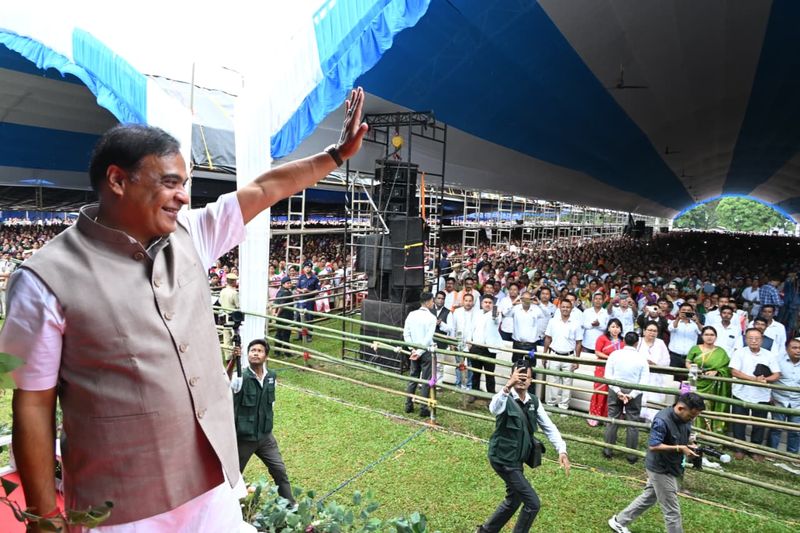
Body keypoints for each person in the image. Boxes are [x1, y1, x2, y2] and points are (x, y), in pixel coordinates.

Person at [0, 88, 368, 530]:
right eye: (170, 183)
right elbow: (32, 404)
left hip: (212, 488)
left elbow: (265, 188)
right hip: (122, 509)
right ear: (118, 180)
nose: (183, 197)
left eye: (185, 184)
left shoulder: (192, 234)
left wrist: (334, 156)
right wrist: (43, 517)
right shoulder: (41, 281)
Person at [476, 359, 570, 533]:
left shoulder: (533, 401)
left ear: (531, 380)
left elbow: (548, 426)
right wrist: (507, 386)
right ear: (511, 376)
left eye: (525, 377)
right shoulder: (504, 397)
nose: (522, 380)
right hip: (503, 458)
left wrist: (561, 450)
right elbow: (494, 408)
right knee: (533, 503)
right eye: (518, 376)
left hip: (517, 459)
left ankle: (485, 531)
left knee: (514, 500)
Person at [608, 393, 706, 533]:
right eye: (691, 416)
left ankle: (619, 521)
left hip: (671, 465)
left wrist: (690, 444)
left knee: (649, 497)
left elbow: (682, 435)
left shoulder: (685, 418)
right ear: (680, 408)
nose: (692, 419)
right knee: (672, 511)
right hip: (660, 468)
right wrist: (680, 448)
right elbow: (654, 445)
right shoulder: (662, 420)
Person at [227, 339, 295, 507]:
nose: (255, 353)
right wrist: (232, 361)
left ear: (266, 356)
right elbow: (224, 382)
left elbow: (270, 404)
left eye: (259, 351)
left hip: (265, 437)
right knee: (233, 477)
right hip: (244, 438)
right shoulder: (239, 377)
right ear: (247, 355)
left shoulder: (271, 377)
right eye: (252, 350)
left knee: (279, 470)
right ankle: (228, 509)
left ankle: (290, 506)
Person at [729, 328, 781, 460]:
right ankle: (739, 448)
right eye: (750, 338)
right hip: (741, 392)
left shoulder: (769, 355)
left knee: (759, 423)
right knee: (738, 421)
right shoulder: (740, 352)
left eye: (757, 338)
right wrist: (753, 379)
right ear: (746, 339)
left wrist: (765, 380)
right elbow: (734, 371)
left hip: (761, 395)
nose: (754, 341)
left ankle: (755, 449)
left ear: (762, 340)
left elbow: (776, 374)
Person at [604, 332, 650, 463]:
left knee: (612, 419)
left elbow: (608, 375)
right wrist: (632, 395)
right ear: (637, 343)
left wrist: (617, 391)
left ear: (624, 340)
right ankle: (631, 455)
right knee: (633, 423)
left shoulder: (614, 354)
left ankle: (608, 450)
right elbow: (644, 381)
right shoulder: (642, 359)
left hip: (615, 387)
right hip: (633, 389)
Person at [684, 326, 731, 433]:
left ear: (716, 337)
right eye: (706, 334)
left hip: (712, 384)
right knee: (689, 405)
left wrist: (717, 372)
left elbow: (727, 368)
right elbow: (687, 363)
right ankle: (689, 432)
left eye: (712, 335)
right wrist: (694, 369)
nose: (709, 337)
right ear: (702, 336)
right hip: (693, 380)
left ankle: (708, 434)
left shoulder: (721, 352)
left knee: (707, 407)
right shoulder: (695, 348)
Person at [542, 299, 583, 411]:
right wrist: (544, 355)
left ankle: (564, 407)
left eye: (568, 307)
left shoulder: (576, 323)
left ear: (571, 309)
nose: (565, 309)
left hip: (569, 356)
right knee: (552, 381)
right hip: (554, 354)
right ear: (559, 308)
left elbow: (579, 343)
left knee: (567, 383)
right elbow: (548, 338)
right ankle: (551, 405)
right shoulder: (553, 321)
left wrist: (577, 360)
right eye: (563, 307)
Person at [403, 291, 438, 418]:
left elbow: (406, 334)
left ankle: (408, 404)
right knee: (426, 380)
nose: (433, 303)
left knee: (413, 377)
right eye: (432, 301)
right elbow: (428, 338)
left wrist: (412, 349)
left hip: (414, 350)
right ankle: (423, 408)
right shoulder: (432, 318)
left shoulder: (411, 314)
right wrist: (419, 351)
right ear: (428, 302)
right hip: (426, 351)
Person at [467, 294, 504, 400]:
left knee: (489, 374)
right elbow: (471, 328)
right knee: (475, 373)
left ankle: (490, 397)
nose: (487, 304)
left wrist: (495, 315)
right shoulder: (477, 313)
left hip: (489, 349)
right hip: (476, 347)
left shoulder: (496, 314)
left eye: (490, 303)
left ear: (493, 304)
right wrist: (469, 342)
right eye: (485, 302)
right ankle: (474, 394)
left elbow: (496, 320)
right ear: (481, 303)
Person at [589, 318, 624, 426]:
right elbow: (597, 352)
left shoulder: (623, 341)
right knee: (600, 391)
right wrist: (610, 358)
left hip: (616, 370)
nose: (615, 329)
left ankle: (608, 418)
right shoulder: (602, 338)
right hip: (602, 369)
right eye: (613, 327)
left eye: (617, 327)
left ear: (620, 329)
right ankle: (595, 417)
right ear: (608, 328)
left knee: (613, 392)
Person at [768, 338, 800, 454]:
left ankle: (792, 455)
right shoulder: (777, 360)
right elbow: (770, 378)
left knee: (795, 431)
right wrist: (770, 395)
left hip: (797, 402)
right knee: (776, 428)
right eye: (794, 348)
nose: (798, 351)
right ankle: (771, 453)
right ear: (787, 349)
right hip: (779, 399)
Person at [636, 321, 671, 421]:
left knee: (654, 398)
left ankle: (651, 420)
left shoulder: (660, 343)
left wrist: (655, 365)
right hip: (640, 375)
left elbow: (667, 360)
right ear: (644, 331)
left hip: (656, 376)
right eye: (650, 330)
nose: (652, 333)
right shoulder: (638, 341)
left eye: (655, 331)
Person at [452, 293, 478, 390]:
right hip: (459, 341)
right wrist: (452, 341)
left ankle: (469, 385)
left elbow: (477, 329)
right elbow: (453, 327)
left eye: (470, 301)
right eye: (466, 300)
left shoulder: (477, 313)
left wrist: (472, 342)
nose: (468, 303)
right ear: (463, 301)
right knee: (459, 364)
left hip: (471, 343)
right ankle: (458, 384)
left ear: (473, 302)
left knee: (470, 366)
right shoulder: (457, 312)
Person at [667, 303, 702, 371]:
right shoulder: (673, 322)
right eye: (683, 310)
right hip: (674, 357)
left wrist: (697, 322)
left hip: (690, 358)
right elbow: (671, 329)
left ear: (692, 312)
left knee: (689, 376)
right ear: (679, 311)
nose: (686, 312)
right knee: (672, 376)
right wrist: (678, 318)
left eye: (688, 310)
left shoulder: (695, 324)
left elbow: (703, 332)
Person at [295, 262, 320, 341]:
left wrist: (308, 291)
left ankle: (309, 335)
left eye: (308, 267)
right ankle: (300, 334)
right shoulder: (301, 277)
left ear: (311, 268)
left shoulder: (315, 278)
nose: (307, 269)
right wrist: (301, 290)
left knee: (309, 317)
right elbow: (297, 287)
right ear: (303, 269)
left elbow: (318, 290)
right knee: (298, 317)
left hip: (310, 300)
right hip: (301, 299)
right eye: (305, 267)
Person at [272, 276, 295, 355]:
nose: (289, 284)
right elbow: (282, 305)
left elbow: (275, 303)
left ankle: (277, 351)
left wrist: (274, 314)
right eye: (287, 283)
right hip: (286, 315)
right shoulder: (286, 292)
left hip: (280, 315)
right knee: (286, 333)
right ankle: (287, 352)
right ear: (283, 284)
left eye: (290, 283)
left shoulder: (279, 291)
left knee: (279, 333)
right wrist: (277, 314)